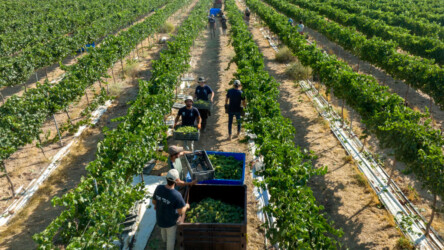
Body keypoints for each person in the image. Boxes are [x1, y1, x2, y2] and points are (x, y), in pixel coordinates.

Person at [152, 169, 190, 250]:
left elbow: (154, 201)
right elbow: (180, 211)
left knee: (163, 230)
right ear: (176, 181)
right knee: (171, 239)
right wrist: (186, 206)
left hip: (160, 218)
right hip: (170, 222)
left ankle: (164, 241)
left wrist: (159, 204)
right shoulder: (176, 195)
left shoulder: (159, 188)